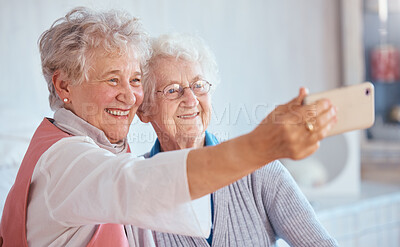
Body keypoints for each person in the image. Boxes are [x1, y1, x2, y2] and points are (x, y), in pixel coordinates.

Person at [0, 7, 337, 247]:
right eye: (111, 79)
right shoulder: (69, 161)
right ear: (64, 87)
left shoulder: (261, 174)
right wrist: (263, 144)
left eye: (134, 80)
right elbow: (137, 184)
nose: (128, 95)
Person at [137, 33, 339, 246]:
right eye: (172, 90)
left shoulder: (260, 170)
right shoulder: (134, 186)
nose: (191, 99)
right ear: (145, 109)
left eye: (198, 86)